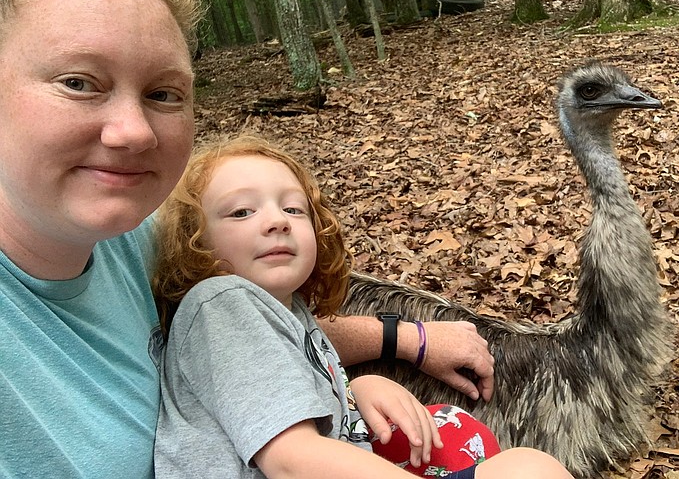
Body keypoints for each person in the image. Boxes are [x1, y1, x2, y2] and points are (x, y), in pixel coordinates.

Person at [0, 0, 495, 478]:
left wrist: (396, 346)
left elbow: (254, 330)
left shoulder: (138, 236)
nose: (133, 131)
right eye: (78, 82)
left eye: (164, 94)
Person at [152, 136, 574, 479]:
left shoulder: (285, 311)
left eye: (293, 208)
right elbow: (292, 460)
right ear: (194, 243)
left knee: (469, 438)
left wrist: (352, 391)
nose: (277, 220)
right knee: (532, 470)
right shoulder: (223, 305)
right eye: (241, 211)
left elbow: (281, 396)